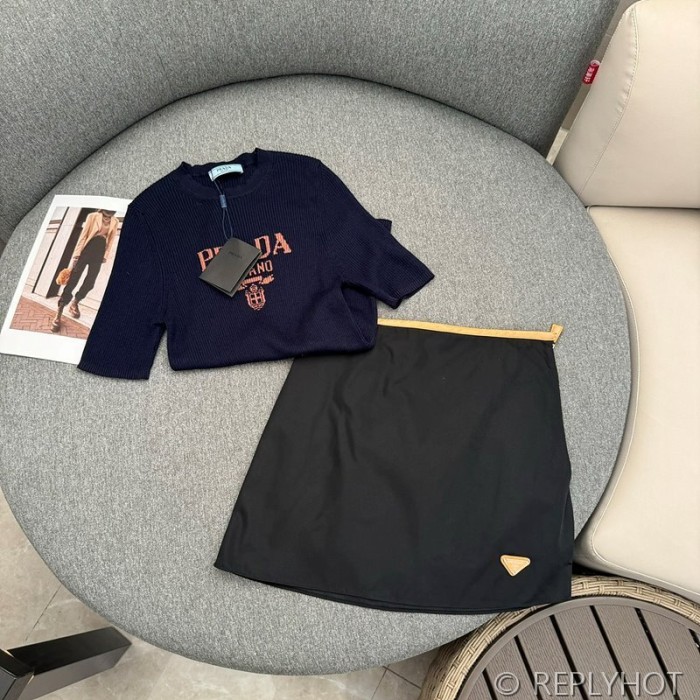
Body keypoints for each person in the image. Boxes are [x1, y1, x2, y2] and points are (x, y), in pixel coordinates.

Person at [52, 209, 118, 332]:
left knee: (90, 282)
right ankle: (59, 312)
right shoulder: (93, 216)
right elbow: (84, 235)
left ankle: (75, 302)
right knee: (73, 280)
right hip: (87, 248)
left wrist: (105, 255)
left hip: (99, 251)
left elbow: (111, 240)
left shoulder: (115, 221)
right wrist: (77, 254)